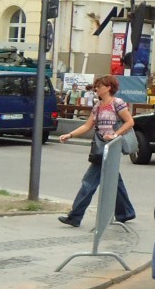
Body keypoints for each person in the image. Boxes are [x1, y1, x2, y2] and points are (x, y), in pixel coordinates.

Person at [57, 75, 135, 225]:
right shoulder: (97, 106)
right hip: (101, 148)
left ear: (108, 88)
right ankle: (126, 212)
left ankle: (75, 217)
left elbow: (130, 121)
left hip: (111, 148)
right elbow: (87, 126)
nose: (96, 88)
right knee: (114, 181)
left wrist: (115, 135)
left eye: (99, 86)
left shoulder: (117, 103)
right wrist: (70, 134)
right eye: (96, 86)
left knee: (89, 182)